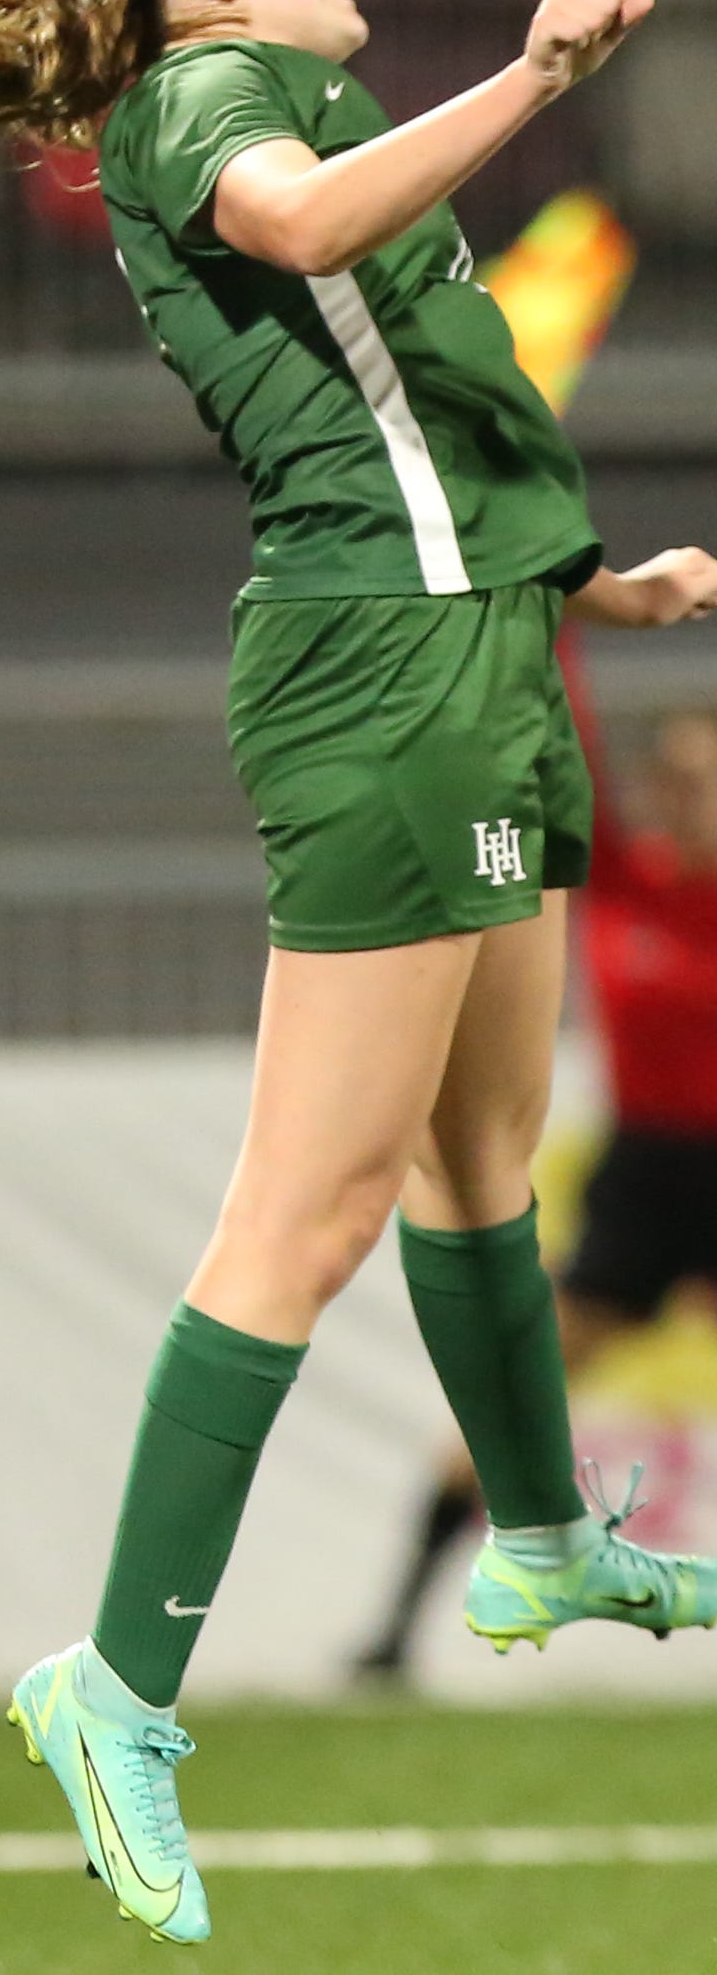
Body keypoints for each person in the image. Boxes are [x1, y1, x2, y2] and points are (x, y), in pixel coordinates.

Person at [0, 0, 717, 1946]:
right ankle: (115, 1686)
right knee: (307, 1214)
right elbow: (305, 223)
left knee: (489, 1163)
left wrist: (582, 578)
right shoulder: (210, 98)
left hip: (483, 648)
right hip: (380, 678)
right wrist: (533, 75)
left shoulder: (295, 78)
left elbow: (408, 407)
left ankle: (539, 1535)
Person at [359, 650, 717, 1679]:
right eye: (678, 778)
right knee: (512, 1396)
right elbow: (568, 747)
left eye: (709, 778)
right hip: (646, 1182)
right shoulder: (621, 878)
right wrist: (544, 619)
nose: (689, 798)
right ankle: (391, 1635)